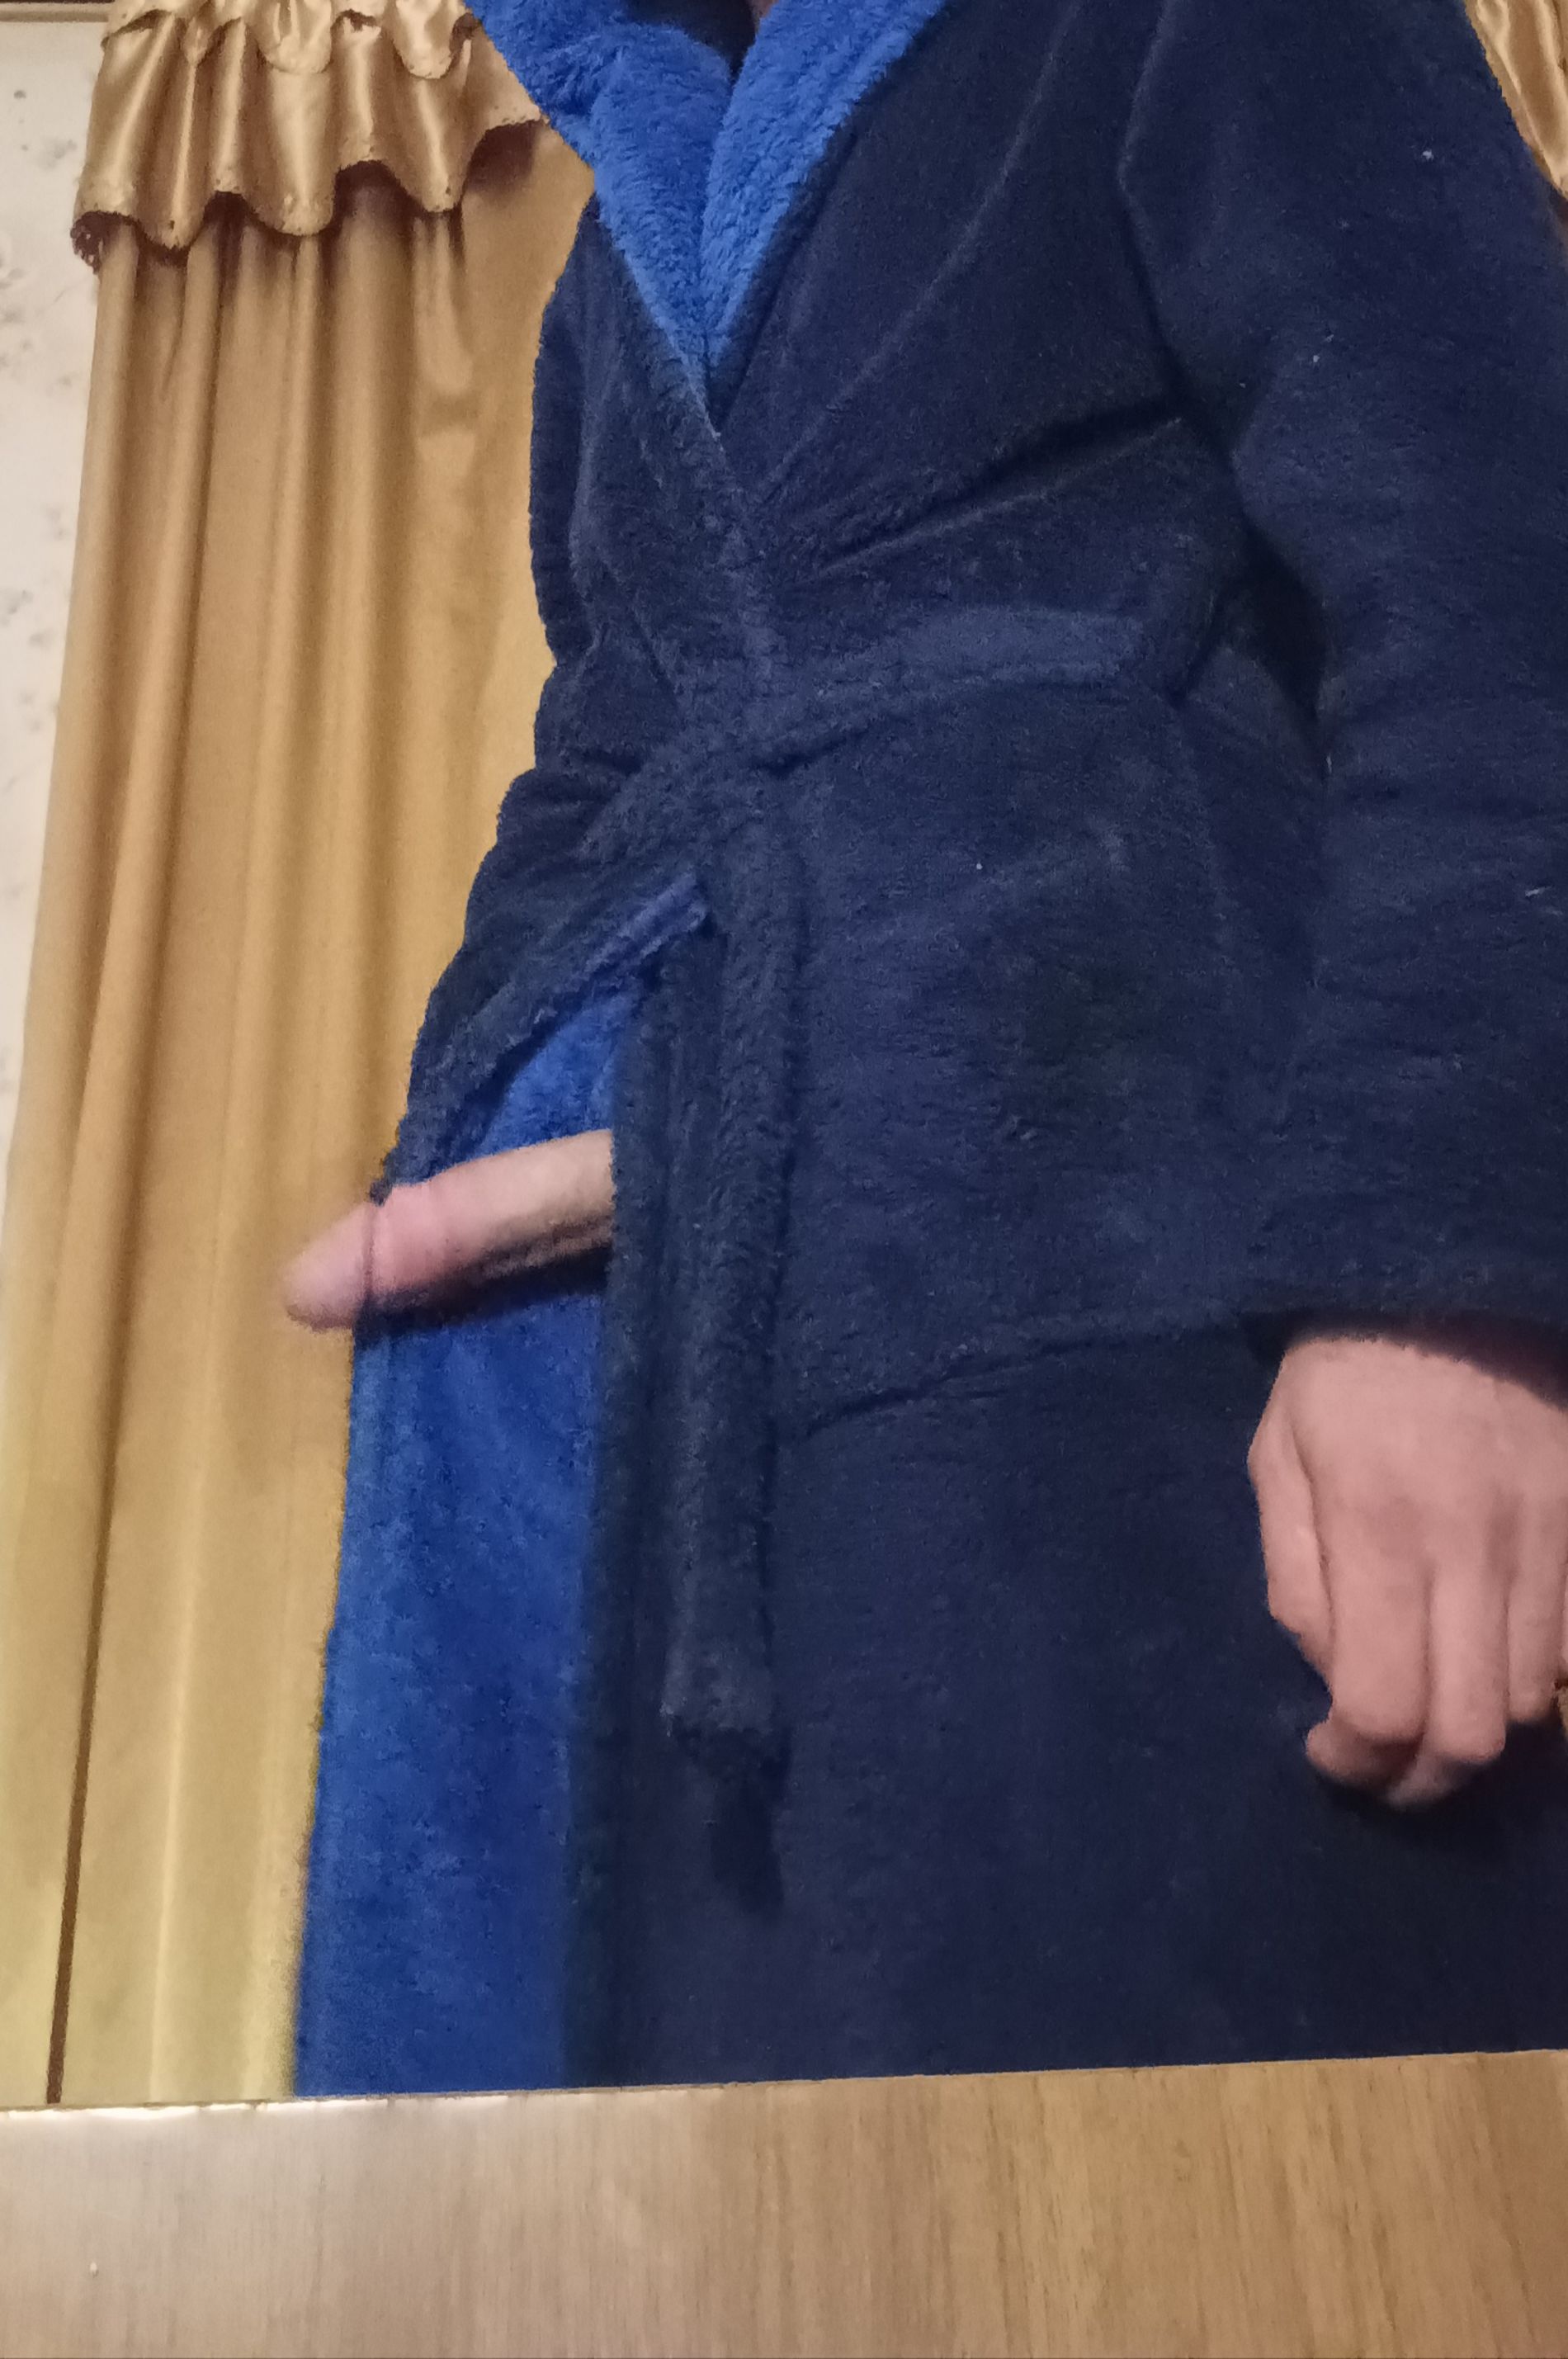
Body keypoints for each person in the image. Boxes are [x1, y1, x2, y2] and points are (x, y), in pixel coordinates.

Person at [287, 0, 1568, 2099]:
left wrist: (1441, 1283)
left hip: (1142, 1304)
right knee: (706, 2199)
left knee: (1183, 2153)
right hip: (674, 1384)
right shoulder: (617, 264)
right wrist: (475, 1127)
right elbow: (599, 758)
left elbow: (1499, 574)